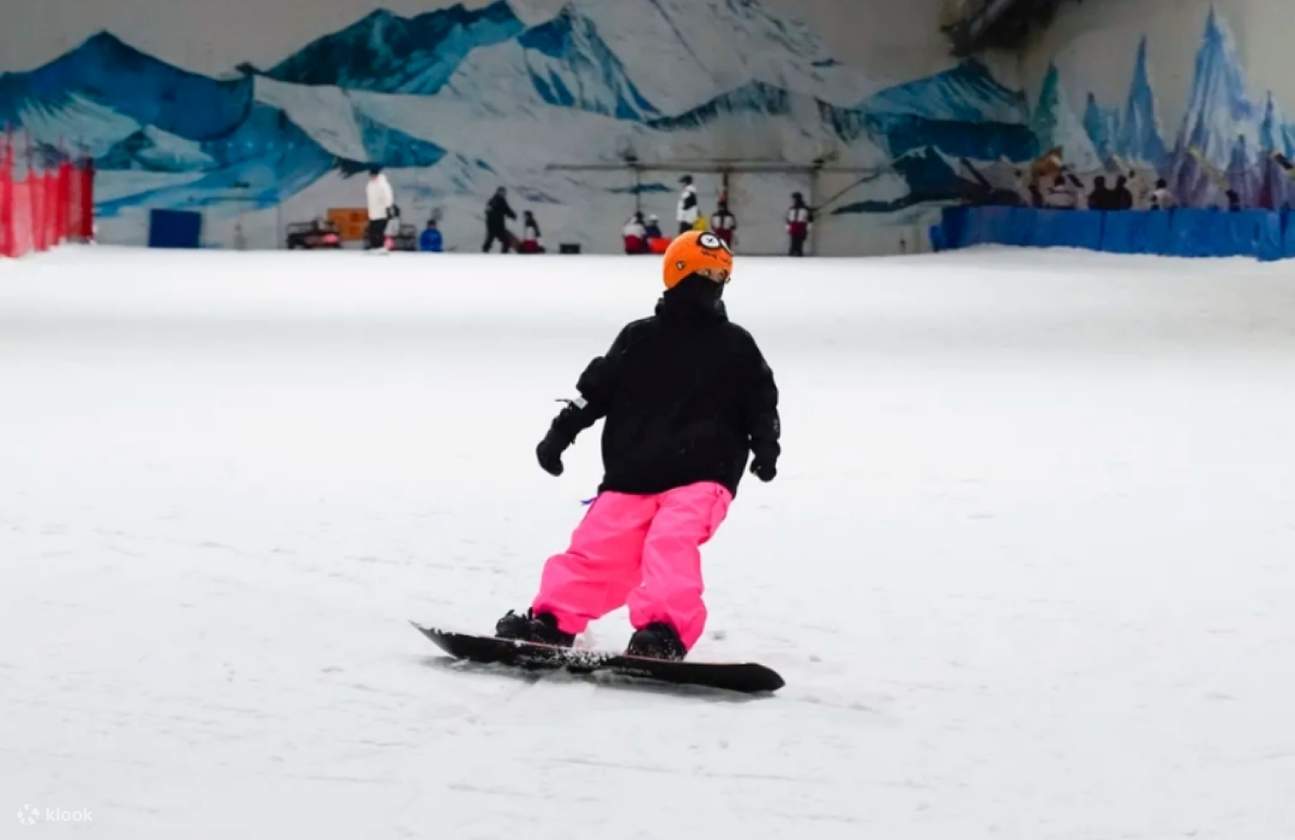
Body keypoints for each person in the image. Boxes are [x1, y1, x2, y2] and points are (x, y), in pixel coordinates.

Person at [495, 230, 781, 661]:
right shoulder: (638, 338)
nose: (711, 284)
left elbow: (761, 399)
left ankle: (664, 631)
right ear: (676, 273)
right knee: (598, 551)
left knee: (669, 544)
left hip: (704, 473)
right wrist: (560, 433)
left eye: (719, 276)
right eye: (702, 273)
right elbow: (594, 391)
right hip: (633, 474)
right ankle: (551, 623)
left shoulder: (735, 344)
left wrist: (766, 446)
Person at [365, 167, 394, 250]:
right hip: (373, 212)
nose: (372, 177)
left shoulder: (383, 184)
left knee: (379, 231)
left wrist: (388, 207)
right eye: (371, 175)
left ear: (377, 175)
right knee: (372, 231)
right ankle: (374, 246)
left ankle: (380, 246)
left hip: (382, 212)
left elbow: (388, 196)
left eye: (374, 175)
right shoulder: (370, 185)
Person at [483, 187, 516, 253]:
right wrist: (512, 215)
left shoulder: (493, 200)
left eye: (503, 193)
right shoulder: (498, 200)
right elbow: (506, 209)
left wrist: (512, 215)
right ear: (498, 192)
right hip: (495, 226)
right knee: (505, 242)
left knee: (491, 241)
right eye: (501, 192)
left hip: (494, 225)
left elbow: (487, 210)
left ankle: (485, 251)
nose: (503, 194)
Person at [787, 192, 812, 256]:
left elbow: (809, 220)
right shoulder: (792, 209)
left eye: (794, 198)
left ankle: (797, 254)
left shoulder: (805, 209)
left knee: (799, 243)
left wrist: (807, 229)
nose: (793, 200)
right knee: (793, 242)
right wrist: (788, 228)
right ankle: (793, 254)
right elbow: (788, 219)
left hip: (801, 226)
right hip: (794, 226)